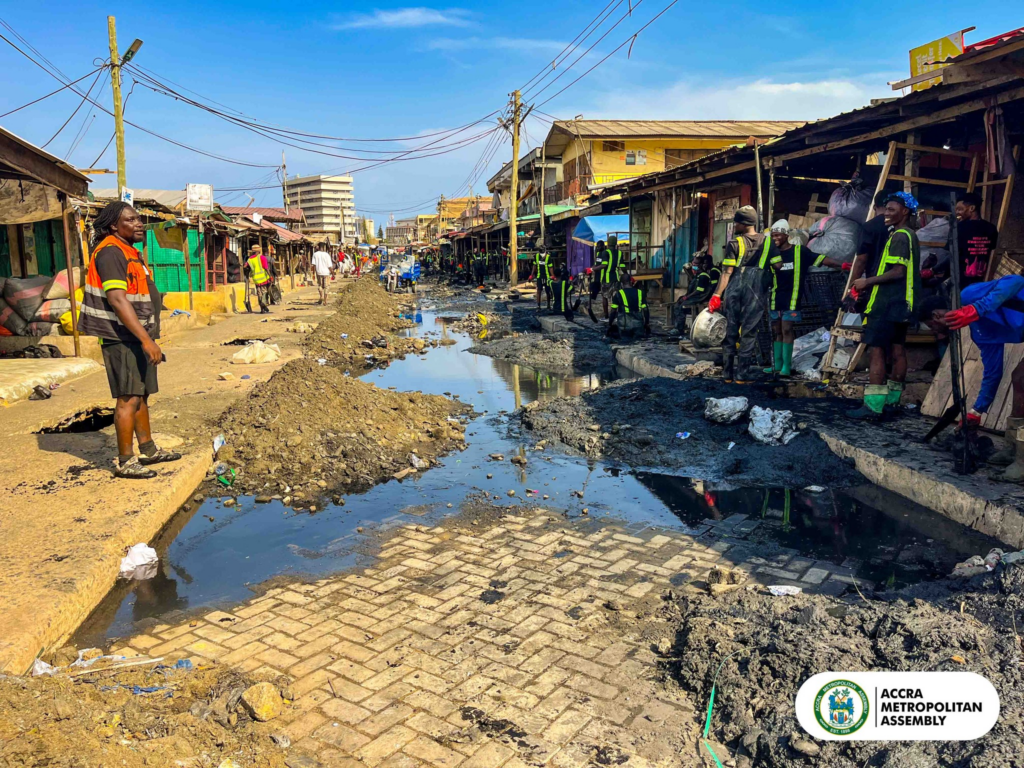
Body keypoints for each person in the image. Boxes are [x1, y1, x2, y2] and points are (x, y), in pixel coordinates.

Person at [78, 201, 180, 479]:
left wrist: (148, 338)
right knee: (128, 397)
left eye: (139, 220)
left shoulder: (129, 251)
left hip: (138, 335)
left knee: (142, 394)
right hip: (121, 336)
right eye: (132, 220)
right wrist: (147, 341)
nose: (139, 224)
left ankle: (149, 450)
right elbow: (117, 299)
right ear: (114, 225)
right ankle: (125, 460)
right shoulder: (111, 252)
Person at [922, 274, 1024, 481]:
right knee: (1018, 378)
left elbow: (1016, 281)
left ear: (936, 315)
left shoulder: (968, 296)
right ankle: (1015, 448)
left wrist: (976, 309)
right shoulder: (980, 332)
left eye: (932, 327)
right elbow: (993, 373)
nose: (936, 334)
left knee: (1023, 379)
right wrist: (976, 411)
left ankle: (1023, 462)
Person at [846, 192, 922, 420]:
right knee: (898, 350)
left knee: (877, 350)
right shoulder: (910, 235)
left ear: (905, 212)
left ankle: (873, 406)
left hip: (887, 303)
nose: (886, 214)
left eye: (891, 210)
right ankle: (892, 402)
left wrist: (865, 282)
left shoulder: (900, 236)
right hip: (903, 304)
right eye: (886, 209)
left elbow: (898, 272)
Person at [708, 206, 781, 383]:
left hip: (734, 291)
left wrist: (716, 295)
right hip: (756, 293)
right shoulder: (769, 243)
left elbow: (726, 273)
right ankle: (742, 376)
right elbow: (778, 266)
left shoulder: (734, 244)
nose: (734, 225)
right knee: (749, 333)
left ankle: (727, 375)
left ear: (743, 224)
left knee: (730, 331)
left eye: (736, 222)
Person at [763, 220, 835, 375]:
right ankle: (777, 364)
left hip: (792, 299)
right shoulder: (771, 253)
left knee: (787, 329)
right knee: (777, 331)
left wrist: (844, 265)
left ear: (786, 235)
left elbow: (821, 259)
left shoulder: (800, 251)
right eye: (773, 235)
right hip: (776, 298)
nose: (775, 238)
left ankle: (786, 367)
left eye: (778, 235)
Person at [950, 192, 999, 286]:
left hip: (960, 279)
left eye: (960, 209)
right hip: (982, 279)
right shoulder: (991, 228)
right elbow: (992, 249)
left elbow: (950, 254)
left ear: (972, 208)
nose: (957, 213)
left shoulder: (958, 228)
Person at [674, 254, 713, 337]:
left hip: (700, 297)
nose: (694, 266)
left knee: (682, 306)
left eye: (696, 264)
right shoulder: (697, 275)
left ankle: (679, 329)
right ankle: (677, 326)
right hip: (695, 296)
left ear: (701, 265)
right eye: (693, 263)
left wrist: (687, 297)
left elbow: (699, 291)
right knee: (678, 302)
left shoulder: (703, 276)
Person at [606, 274, 650, 340]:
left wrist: (610, 323)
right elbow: (646, 309)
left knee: (625, 341)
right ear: (631, 282)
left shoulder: (618, 294)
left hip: (624, 326)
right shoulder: (640, 293)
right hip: (638, 325)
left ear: (621, 283)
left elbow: (613, 311)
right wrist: (646, 323)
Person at [596, 234, 627, 318]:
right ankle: (615, 314)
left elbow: (604, 265)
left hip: (606, 279)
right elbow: (622, 266)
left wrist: (592, 269)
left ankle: (606, 315)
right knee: (615, 298)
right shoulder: (619, 253)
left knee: (605, 297)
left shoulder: (605, 252)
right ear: (616, 243)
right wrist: (627, 274)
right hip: (616, 279)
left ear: (608, 243)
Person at [244, 244, 272, 313]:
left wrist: (247, 269)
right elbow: (266, 268)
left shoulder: (250, 259)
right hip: (263, 279)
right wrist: (270, 276)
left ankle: (262, 309)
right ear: (259, 251)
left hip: (256, 280)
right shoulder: (262, 257)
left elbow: (245, 266)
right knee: (264, 292)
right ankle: (264, 304)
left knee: (259, 293)